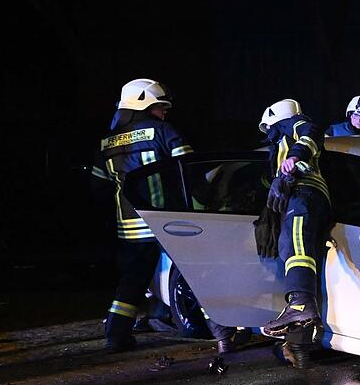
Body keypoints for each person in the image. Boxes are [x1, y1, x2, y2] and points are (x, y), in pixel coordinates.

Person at [91, 78, 247, 353]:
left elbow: (99, 187)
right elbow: (190, 169)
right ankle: (223, 333)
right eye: (160, 107)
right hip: (166, 221)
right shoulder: (163, 131)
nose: (164, 113)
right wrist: (210, 202)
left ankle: (116, 336)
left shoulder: (106, 142)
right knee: (198, 273)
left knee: (132, 281)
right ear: (144, 104)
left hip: (129, 227)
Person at [257, 99, 331, 367]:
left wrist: (293, 158)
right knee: (297, 262)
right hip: (297, 197)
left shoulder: (294, 124)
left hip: (304, 193)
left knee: (295, 245)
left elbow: (311, 133)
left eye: (269, 129)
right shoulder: (278, 146)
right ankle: (298, 346)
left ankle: (300, 305)